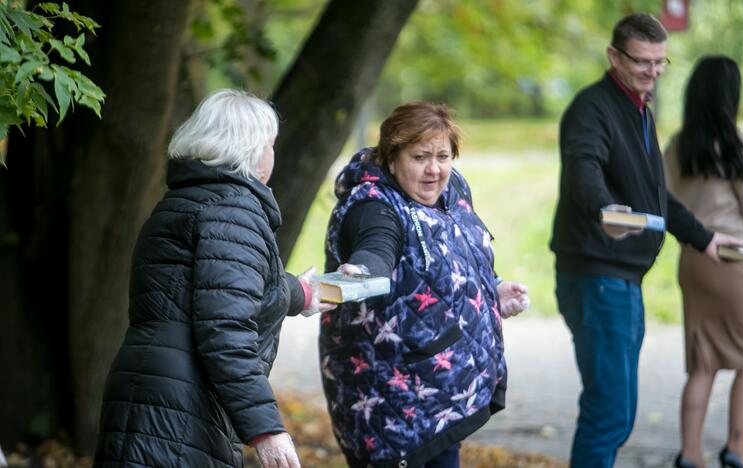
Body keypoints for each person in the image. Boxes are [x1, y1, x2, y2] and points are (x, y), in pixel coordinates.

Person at [93, 89, 332, 468]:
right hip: (182, 408)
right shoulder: (233, 211)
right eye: (270, 144)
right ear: (253, 151)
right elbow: (225, 328)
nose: (273, 154)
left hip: (149, 391)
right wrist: (265, 429)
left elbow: (212, 292)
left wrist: (298, 293)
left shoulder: (184, 201)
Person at [549, 14, 741, 468]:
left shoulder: (638, 109)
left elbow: (654, 196)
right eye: (642, 62)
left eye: (660, 63)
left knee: (620, 411)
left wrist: (703, 237)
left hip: (622, 279)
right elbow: (583, 168)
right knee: (610, 411)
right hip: (597, 277)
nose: (653, 72)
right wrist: (606, 211)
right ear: (614, 56)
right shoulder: (592, 108)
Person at [318, 101, 530, 467]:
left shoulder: (453, 189)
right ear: (391, 157)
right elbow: (377, 249)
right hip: (393, 407)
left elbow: (449, 255)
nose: (434, 170)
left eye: (443, 156)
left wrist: (490, 289)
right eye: (420, 157)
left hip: (437, 397)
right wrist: (363, 271)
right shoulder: (373, 207)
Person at [663, 56, 743, 468]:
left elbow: (664, 200)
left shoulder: (677, 144)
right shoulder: (737, 142)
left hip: (692, 259)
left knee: (702, 364)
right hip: (732, 259)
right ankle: (738, 450)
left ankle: (691, 454)